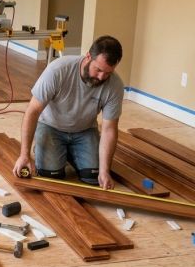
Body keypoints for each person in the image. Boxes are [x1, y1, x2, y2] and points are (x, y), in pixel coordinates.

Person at [12, 35, 124, 190]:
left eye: (108, 73)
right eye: (98, 70)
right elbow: (32, 111)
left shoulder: (115, 85)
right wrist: (24, 155)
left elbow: (109, 129)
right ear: (88, 57)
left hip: (84, 130)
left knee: (93, 177)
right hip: (51, 127)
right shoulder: (58, 70)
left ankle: (71, 151)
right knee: (51, 177)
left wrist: (105, 171)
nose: (101, 77)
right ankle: (56, 150)